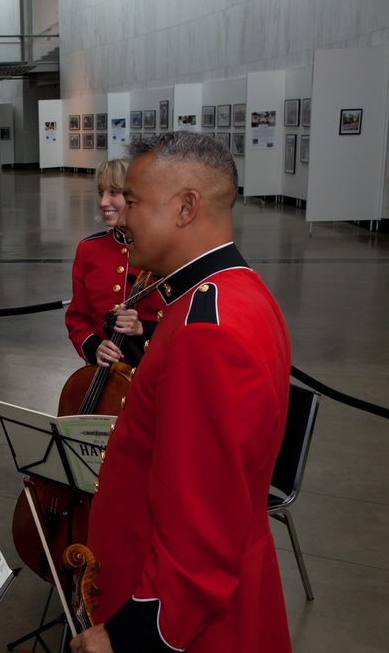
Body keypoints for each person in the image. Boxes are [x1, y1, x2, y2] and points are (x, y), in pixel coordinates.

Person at [70, 132, 292, 653]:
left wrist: (131, 637)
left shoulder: (205, 333)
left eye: (135, 202)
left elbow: (201, 536)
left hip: (193, 626)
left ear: (186, 207)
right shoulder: (237, 292)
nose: (121, 218)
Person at [65, 159, 164, 368]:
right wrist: (94, 347)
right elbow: (77, 317)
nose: (103, 202)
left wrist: (141, 328)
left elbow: (183, 319)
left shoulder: (163, 250)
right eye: (101, 192)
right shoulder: (88, 249)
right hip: (105, 375)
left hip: (152, 368)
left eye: (113, 192)